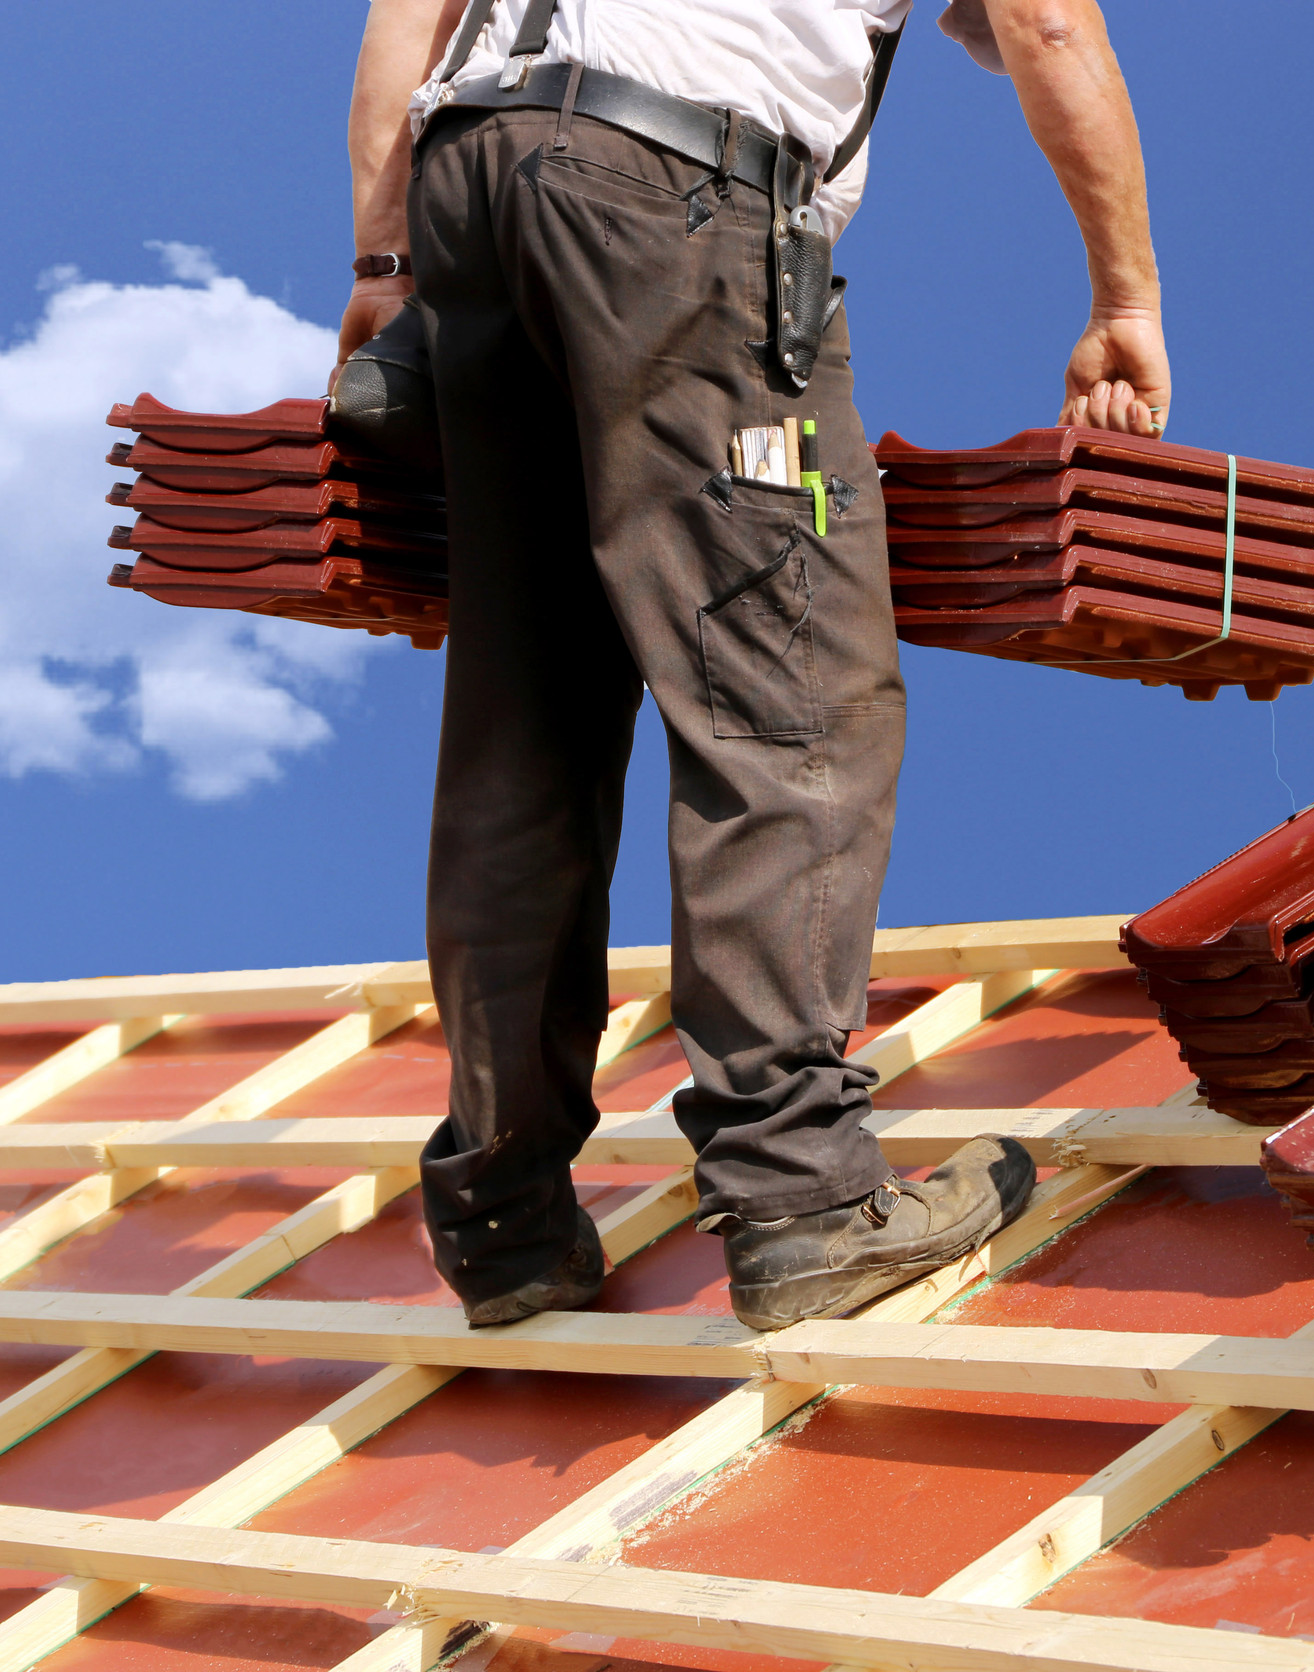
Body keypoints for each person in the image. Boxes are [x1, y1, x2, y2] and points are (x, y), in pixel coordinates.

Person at [336, 0, 1171, 1331]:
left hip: (475, 208)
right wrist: (1124, 298)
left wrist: (386, 265)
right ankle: (804, 1199)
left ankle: (502, 1219)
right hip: (684, 218)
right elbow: (1051, 26)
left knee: (528, 709)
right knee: (792, 682)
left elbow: (410, 11)